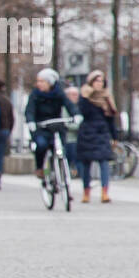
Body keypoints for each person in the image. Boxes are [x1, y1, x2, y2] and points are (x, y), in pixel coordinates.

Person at [76, 69, 120, 204]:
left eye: (101, 81)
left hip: (102, 132)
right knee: (86, 164)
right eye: (96, 81)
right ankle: (86, 192)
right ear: (91, 82)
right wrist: (85, 97)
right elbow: (83, 112)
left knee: (104, 162)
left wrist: (114, 136)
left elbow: (111, 118)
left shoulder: (107, 97)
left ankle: (105, 192)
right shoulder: (85, 96)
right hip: (87, 132)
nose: (99, 84)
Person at [24, 68, 74, 183]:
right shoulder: (35, 95)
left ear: (50, 82)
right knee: (41, 145)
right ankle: (40, 168)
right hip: (41, 127)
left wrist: (76, 115)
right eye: (38, 81)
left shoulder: (59, 93)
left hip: (56, 126)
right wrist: (31, 121)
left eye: (42, 81)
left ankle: (62, 174)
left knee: (62, 148)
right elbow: (30, 110)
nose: (39, 84)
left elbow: (69, 105)